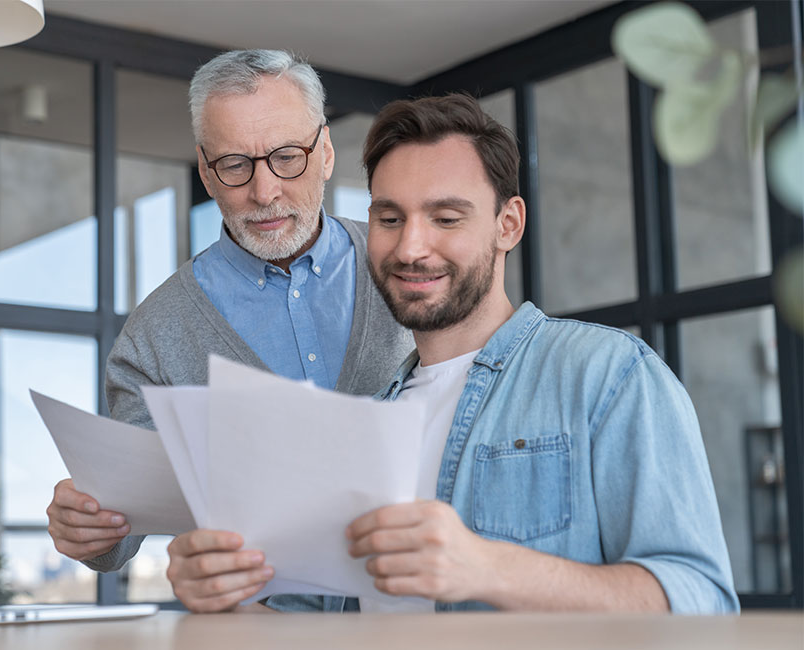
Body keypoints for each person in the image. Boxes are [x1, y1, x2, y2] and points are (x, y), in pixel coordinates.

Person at [164, 93, 737, 613]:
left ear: (507, 224)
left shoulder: (607, 376)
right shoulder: (368, 418)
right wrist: (225, 596)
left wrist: (488, 568)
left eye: (445, 218)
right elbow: (314, 623)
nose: (411, 247)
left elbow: (703, 603)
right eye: (390, 219)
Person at [46, 50, 411, 579]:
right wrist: (87, 527)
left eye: (288, 157)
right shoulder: (155, 335)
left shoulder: (408, 266)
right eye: (235, 165)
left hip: (417, 613)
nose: (265, 193)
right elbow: (119, 528)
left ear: (326, 151)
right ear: (206, 172)